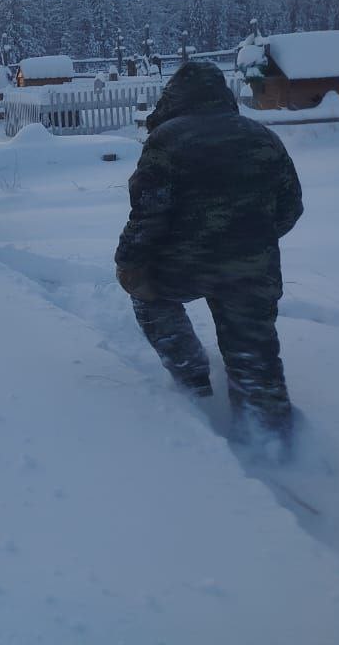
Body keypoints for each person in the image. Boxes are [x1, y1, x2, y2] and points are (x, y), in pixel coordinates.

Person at [114, 61, 303, 453]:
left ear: (177, 96)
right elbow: (290, 208)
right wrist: (252, 241)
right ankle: (273, 439)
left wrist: (128, 262)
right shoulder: (263, 136)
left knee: (148, 297)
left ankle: (192, 377)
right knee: (254, 350)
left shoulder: (167, 139)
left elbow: (148, 213)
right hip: (253, 269)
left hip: (183, 267)